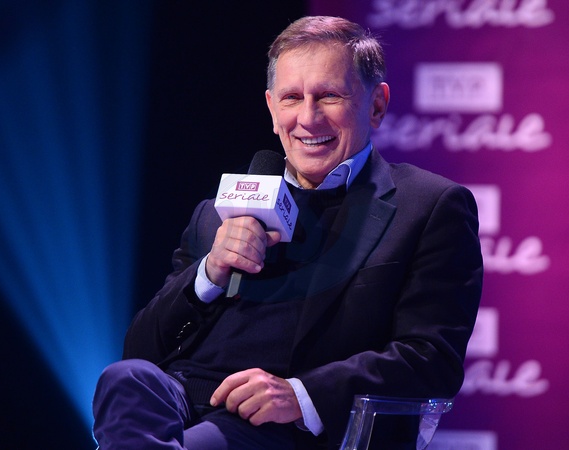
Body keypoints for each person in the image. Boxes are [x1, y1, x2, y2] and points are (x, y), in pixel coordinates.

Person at [92, 15, 483, 450]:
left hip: (284, 425)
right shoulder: (216, 213)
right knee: (125, 378)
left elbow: (431, 358)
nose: (308, 118)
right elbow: (141, 351)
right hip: (182, 398)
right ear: (272, 108)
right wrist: (209, 273)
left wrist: (300, 395)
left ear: (376, 105)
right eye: (292, 98)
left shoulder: (428, 206)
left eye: (329, 96)